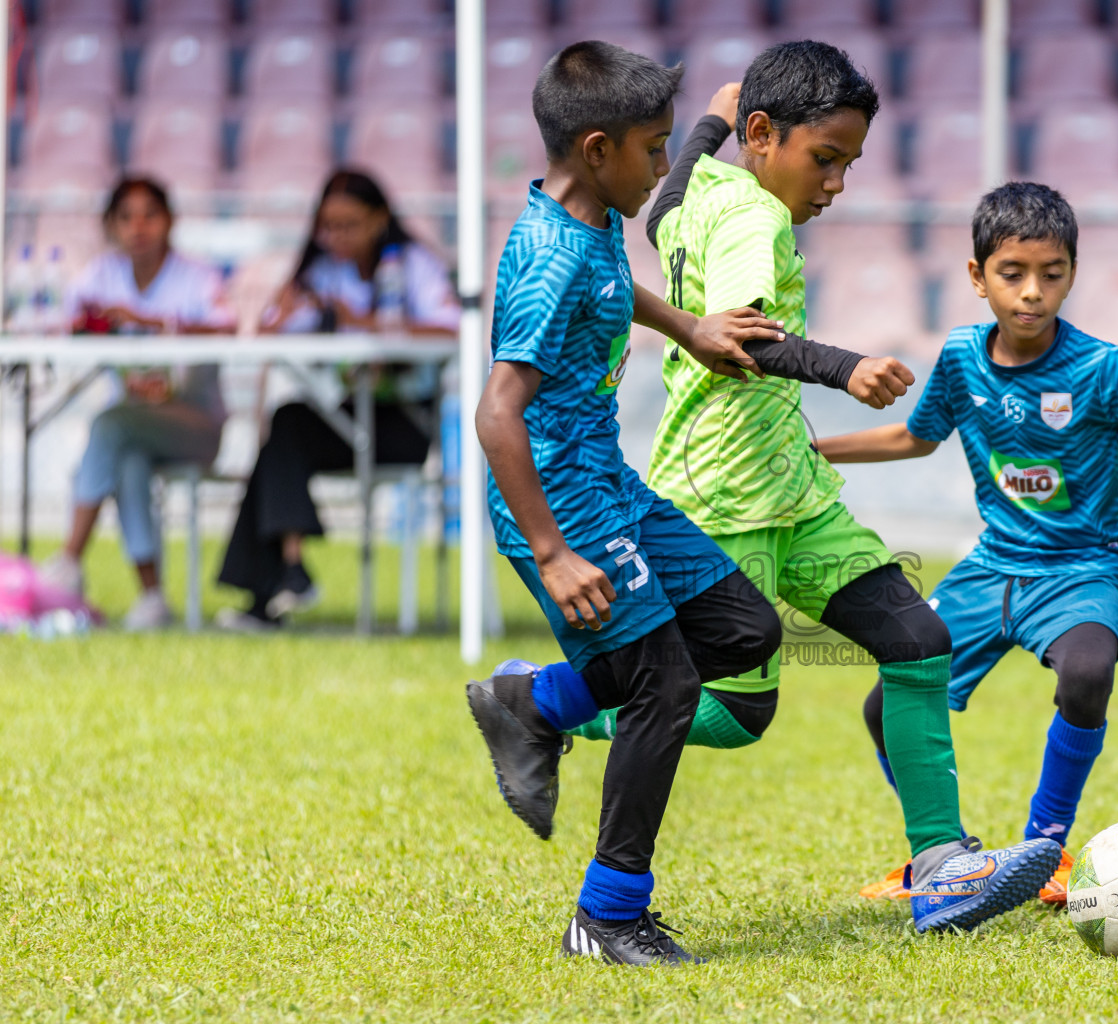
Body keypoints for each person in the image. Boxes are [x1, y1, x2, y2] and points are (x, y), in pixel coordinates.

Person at [561, 43, 1065, 935]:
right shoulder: (753, 219)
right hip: (726, 499)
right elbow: (747, 342)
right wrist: (849, 367)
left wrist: (712, 124)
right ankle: (560, 704)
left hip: (796, 494)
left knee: (917, 641)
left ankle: (943, 869)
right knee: (736, 711)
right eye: (825, 158)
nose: (835, 183)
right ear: (765, 135)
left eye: (849, 164)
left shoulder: (703, 190)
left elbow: (664, 203)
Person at [813, 182, 1118, 907]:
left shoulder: (1104, 367)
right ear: (976, 276)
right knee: (881, 704)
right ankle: (942, 856)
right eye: (1012, 273)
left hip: (1084, 571)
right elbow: (914, 437)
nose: (1032, 293)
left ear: (1072, 274)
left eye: (1052, 274)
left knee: (1086, 673)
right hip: (991, 568)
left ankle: (1045, 849)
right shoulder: (960, 358)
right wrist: (817, 448)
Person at [468, 40, 805, 967]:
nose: (666, 169)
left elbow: (612, 292)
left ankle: (535, 703)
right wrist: (550, 551)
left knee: (745, 631)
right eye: (656, 151)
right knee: (667, 685)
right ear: (595, 148)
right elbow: (497, 415)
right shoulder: (547, 257)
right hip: (563, 508)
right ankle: (608, 914)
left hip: (610, 488)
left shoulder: (592, 220)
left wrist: (688, 326)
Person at [213, 169, 459, 630]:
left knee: (284, 432)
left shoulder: (413, 265)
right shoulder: (322, 271)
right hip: (351, 414)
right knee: (286, 424)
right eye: (328, 226)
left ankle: (274, 588)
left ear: (379, 218)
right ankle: (289, 567)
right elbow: (267, 337)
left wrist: (361, 322)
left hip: (404, 423)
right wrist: (283, 308)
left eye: (348, 224)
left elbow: (451, 328)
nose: (336, 237)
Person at [38, 176, 235, 631]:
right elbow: (62, 320)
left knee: (110, 425)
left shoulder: (197, 277)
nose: (138, 227)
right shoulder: (100, 275)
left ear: (169, 222)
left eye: (150, 215)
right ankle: (151, 597)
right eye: (126, 217)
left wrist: (146, 320)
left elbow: (227, 327)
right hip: (135, 426)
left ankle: (69, 559)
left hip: (195, 425)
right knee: (125, 455)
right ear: (111, 226)